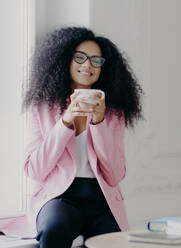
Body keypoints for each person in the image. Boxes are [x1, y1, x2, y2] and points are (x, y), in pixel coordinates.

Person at [21, 26, 143, 247]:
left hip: (101, 198)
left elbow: (115, 175)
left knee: (115, 240)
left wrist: (99, 123)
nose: (88, 65)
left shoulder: (113, 112)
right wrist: (66, 121)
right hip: (59, 197)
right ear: (65, 59)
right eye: (80, 57)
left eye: (96, 60)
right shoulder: (41, 107)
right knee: (54, 228)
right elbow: (35, 170)